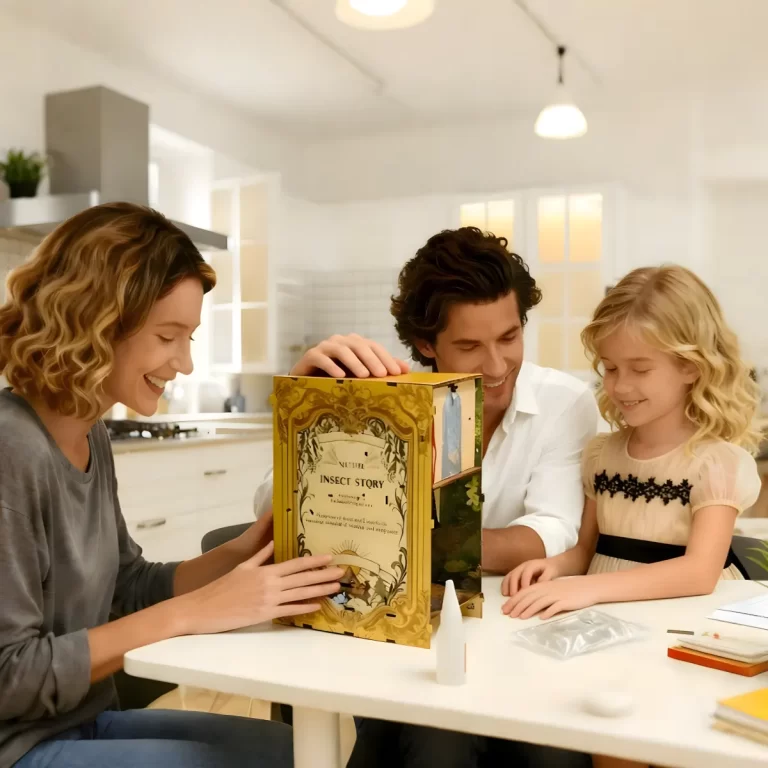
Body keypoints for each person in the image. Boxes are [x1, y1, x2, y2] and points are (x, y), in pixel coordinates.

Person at [0, 203, 344, 768]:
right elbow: (12, 675)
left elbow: (126, 587)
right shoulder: (12, 450)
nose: (183, 363)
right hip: (15, 747)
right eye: (168, 336)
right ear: (94, 320)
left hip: (80, 720)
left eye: (189, 337)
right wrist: (193, 611)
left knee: (296, 753)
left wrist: (247, 550)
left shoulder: (91, 434)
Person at [256, 227, 598, 767]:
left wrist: (406, 543)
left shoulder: (564, 403)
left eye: (509, 337)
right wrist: (309, 406)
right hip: (407, 635)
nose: (496, 365)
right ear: (425, 345)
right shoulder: (388, 402)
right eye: (468, 346)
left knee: (551, 756)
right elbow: (273, 511)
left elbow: (552, 532)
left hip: (517, 635)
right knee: (435, 744)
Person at [502, 265, 762, 768]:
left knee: (664, 741)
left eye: (640, 369)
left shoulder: (717, 463)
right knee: (608, 745)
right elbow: (586, 549)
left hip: (679, 633)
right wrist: (555, 568)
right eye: (610, 368)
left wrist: (584, 588)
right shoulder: (601, 454)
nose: (620, 386)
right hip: (604, 629)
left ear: (692, 365)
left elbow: (698, 572)